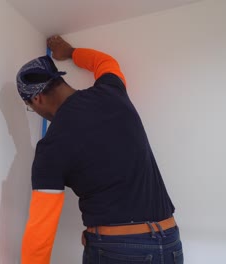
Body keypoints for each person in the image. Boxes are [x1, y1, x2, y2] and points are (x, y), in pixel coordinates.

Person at [15, 35, 183, 264]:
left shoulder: (50, 148)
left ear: (37, 98)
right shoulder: (112, 91)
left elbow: (40, 233)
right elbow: (106, 62)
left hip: (118, 250)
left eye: (30, 108)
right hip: (170, 240)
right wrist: (70, 52)